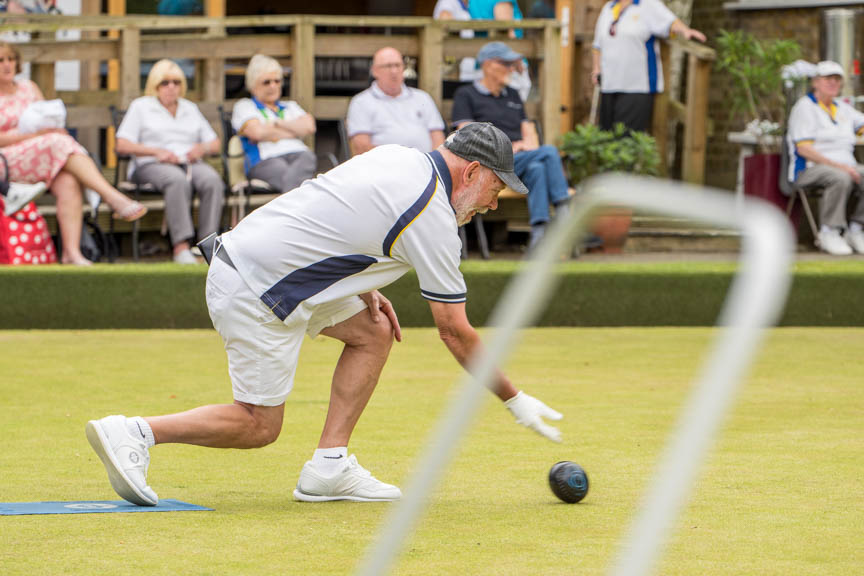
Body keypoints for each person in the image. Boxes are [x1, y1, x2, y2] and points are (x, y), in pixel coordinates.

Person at [85, 123, 563, 506]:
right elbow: (455, 332)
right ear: (473, 171)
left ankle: (329, 466)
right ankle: (136, 432)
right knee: (258, 425)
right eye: (496, 188)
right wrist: (513, 399)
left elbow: (336, 210)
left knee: (374, 329)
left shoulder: (401, 156)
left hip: (258, 262)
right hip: (260, 288)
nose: (493, 203)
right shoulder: (434, 216)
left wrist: (362, 284)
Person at [0, 41, 146, 266]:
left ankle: (71, 252)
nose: (7, 65)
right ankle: (111, 196)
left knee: (67, 179)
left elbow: (45, 116)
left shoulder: (29, 87)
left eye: (10, 59)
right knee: (59, 142)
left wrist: (50, 128)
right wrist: (35, 136)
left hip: (44, 154)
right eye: (1, 61)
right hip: (7, 162)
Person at [452, 42, 571, 251]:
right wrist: (508, 147)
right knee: (549, 152)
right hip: (489, 163)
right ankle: (563, 214)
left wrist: (524, 146)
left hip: (521, 161)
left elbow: (531, 138)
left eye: (512, 64)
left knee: (538, 168)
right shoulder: (466, 94)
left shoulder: (513, 94)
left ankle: (539, 235)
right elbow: (468, 138)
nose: (511, 69)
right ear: (488, 65)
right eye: (505, 63)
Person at [116, 59, 223, 265]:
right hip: (150, 165)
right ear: (154, 85)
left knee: (212, 180)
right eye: (165, 82)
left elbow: (215, 143)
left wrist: (202, 148)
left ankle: (208, 245)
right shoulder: (141, 106)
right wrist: (156, 151)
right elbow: (122, 144)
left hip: (189, 163)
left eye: (176, 82)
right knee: (176, 180)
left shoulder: (189, 108)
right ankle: (181, 246)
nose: (171, 87)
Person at [591, 0, 705, 134]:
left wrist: (685, 30)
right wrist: (596, 69)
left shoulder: (648, 5)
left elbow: (670, 22)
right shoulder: (608, 8)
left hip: (637, 86)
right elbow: (597, 45)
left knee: (626, 140)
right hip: (609, 84)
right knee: (605, 138)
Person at [787, 60, 864, 256]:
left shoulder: (843, 108)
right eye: (828, 78)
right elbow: (804, 149)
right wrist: (841, 166)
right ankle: (829, 231)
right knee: (840, 176)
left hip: (847, 166)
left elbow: (861, 126)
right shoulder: (804, 107)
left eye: (837, 79)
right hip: (809, 169)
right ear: (816, 82)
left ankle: (856, 229)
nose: (833, 83)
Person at [231, 54, 317, 193]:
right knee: (296, 179)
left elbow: (309, 127)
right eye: (267, 82)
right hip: (264, 160)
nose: (273, 86)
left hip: (299, 155)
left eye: (277, 81)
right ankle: (295, 208)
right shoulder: (245, 106)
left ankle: (289, 210)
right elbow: (256, 133)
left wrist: (276, 123)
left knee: (308, 157)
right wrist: (293, 130)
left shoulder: (291, 106)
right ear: (253, 86)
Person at [346, 47, 445, 156]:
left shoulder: (422, 97)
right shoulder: (361, 102)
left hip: (426, 167)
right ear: (375, 71)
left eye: (398, 65)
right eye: (388, 66)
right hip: (383, 168)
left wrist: (433, 165)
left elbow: (438, 139)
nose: (394, 71)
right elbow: (361, 147)